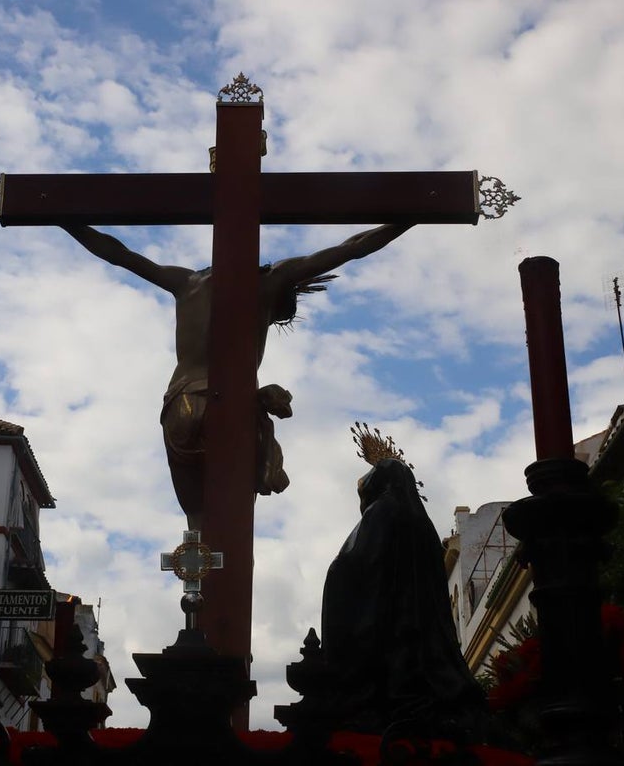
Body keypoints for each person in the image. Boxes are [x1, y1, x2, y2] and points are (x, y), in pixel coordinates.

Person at [62, 223, 412, 527]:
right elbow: (353, 247)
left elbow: (118, 253)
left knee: (196, 521)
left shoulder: (184, 281)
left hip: (180, 405)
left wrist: (66, 223)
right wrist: (411, 218)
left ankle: (197, 590)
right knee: (236, 526)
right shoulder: (273, 281)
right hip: (231, 407)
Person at [320, 456, 488, 738]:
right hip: (421, 637)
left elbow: (355, 566)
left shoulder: (382, 513)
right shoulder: (424, 526)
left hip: (386, 629)